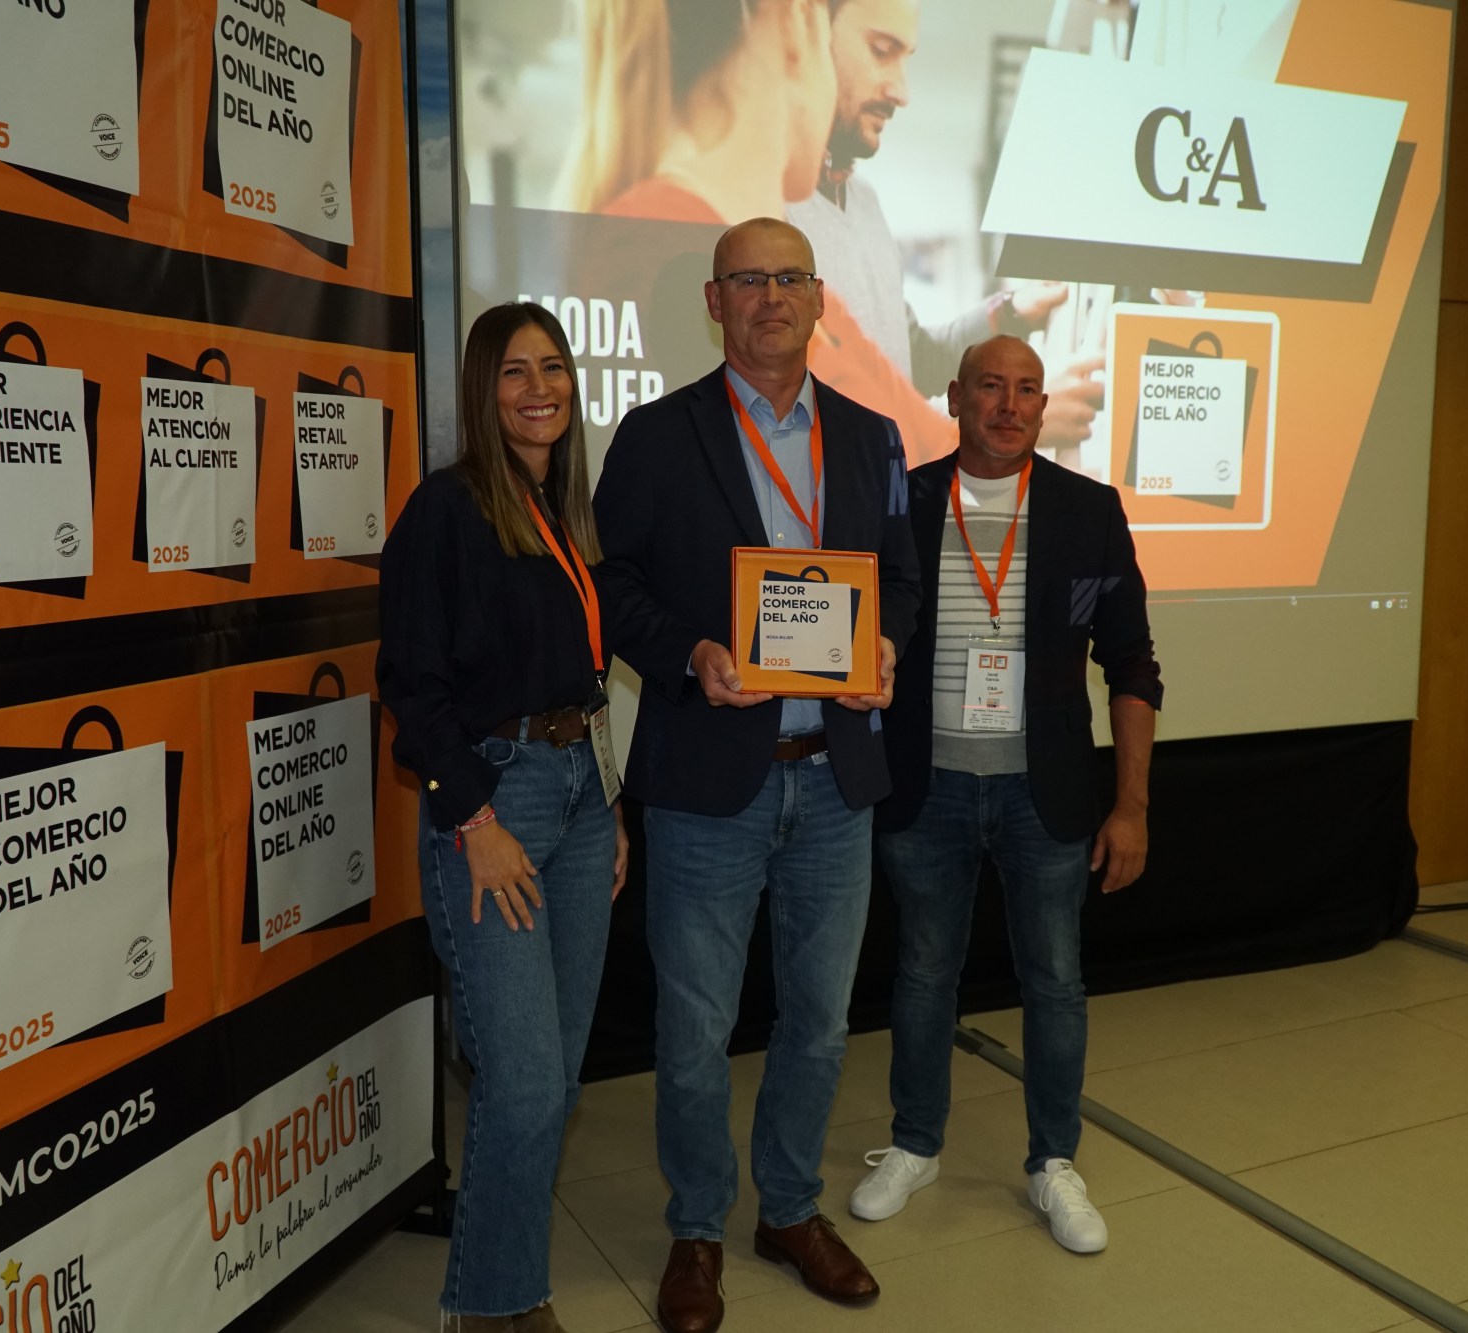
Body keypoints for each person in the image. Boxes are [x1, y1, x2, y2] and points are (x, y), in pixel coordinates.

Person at [592, 217, 921, 1333]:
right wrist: (688, 653)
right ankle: (696, 1224)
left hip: (834, 777)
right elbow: (611, 584)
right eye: (747, 279)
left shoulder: (872, 437)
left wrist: (885, 643)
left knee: (819, 1021)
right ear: (713, 301)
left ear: (820, 298)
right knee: (694, 1029)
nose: (770, 296)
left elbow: (899, 580)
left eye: (788, 277)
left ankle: (787, 1209)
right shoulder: (656, 434)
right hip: (707, 779)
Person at [850, 334, 1161, 1253]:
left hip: (1045, 792)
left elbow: (1131, 663)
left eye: (1027, 389)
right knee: (922, 974)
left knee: (1055, 982)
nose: (1010, 405)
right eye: (991, 386)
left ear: (1043, 407)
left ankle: (1053, 1161)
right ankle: (916, 1144)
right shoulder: (902, 501)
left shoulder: (1087, 511)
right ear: (955, 397)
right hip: (927, 787)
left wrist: (1133, 805)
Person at [378, 303, 628, 1333]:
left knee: (553, 1078)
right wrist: (473, 820)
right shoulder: (446, 509)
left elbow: (586, 677)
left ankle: (515, 1290)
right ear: (483, 390)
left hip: (580, 794)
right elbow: (412, 684)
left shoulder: (561, 510)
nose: (540, 388)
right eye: (515, 371)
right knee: (523, 1081)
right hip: (497, 799)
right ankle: (487, 1310)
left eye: (554, 367)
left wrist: (610, 806)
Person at [562, 0, 958, 464]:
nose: (902, 92)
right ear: (797, 18)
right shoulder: (655, 245)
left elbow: (927, 447)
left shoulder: (800, 286)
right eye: (880, 50)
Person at [785, 0, 1108, 453]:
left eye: (905, 58)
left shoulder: (864, 203)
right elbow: (832, 432)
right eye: (881, 50)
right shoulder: (764, 221)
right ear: (803, 31)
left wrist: (1011, 313)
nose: (901, 91)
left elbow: (907, 359)